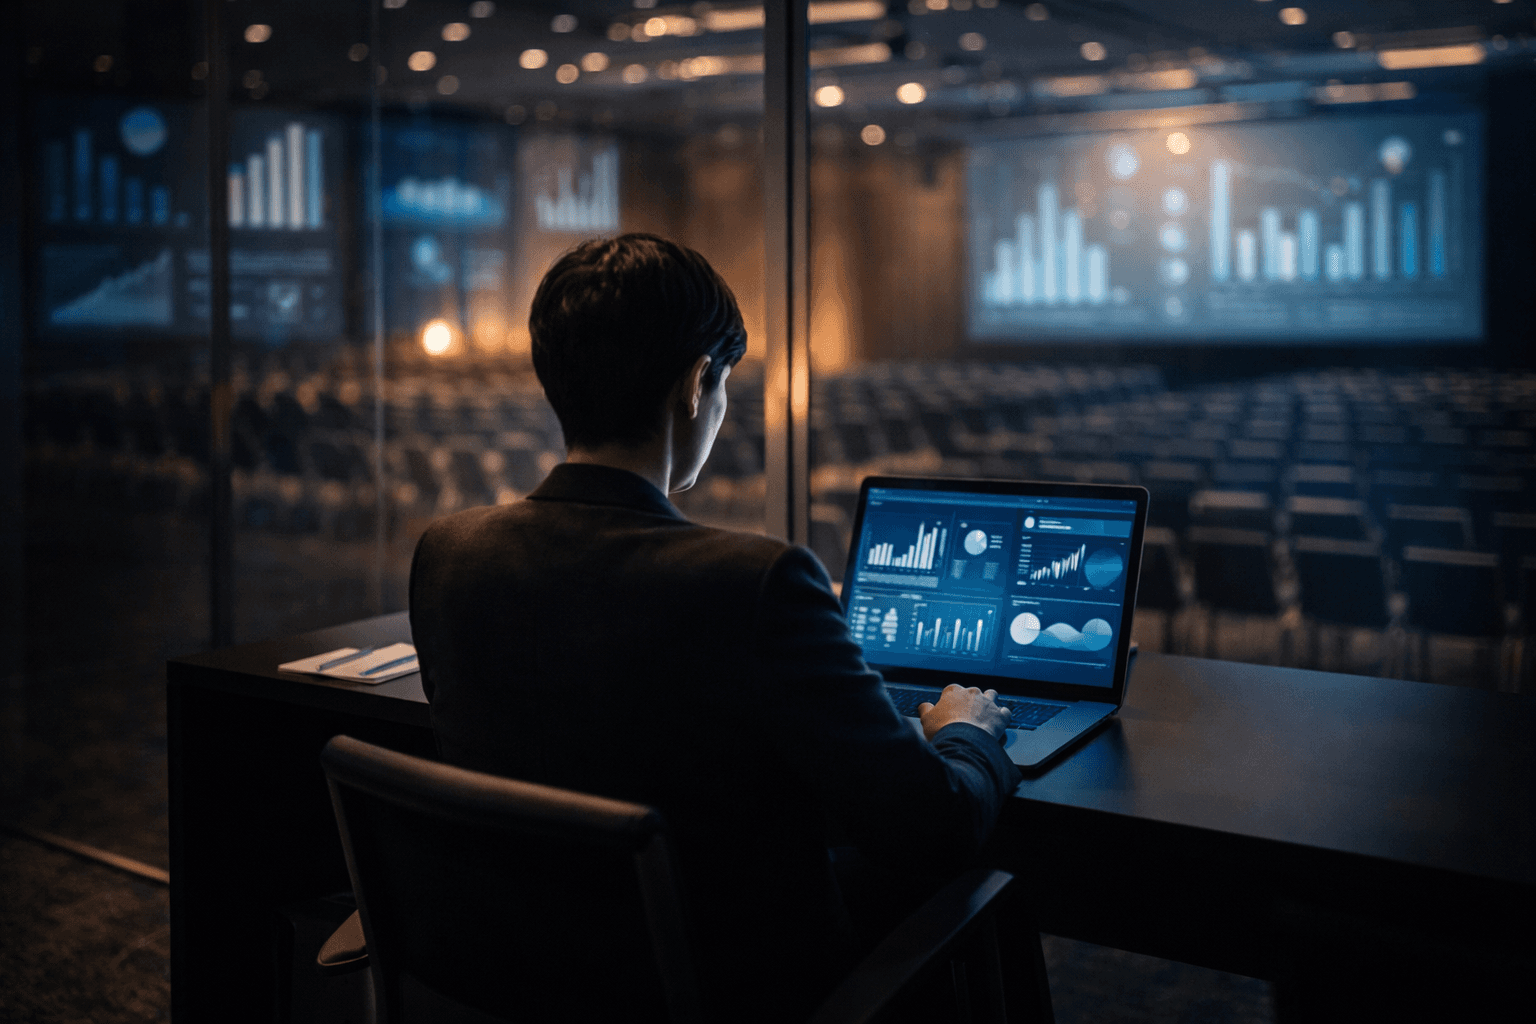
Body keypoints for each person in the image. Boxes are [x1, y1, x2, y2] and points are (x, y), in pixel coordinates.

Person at [408, 233, 1021, 1021]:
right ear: (698, 383)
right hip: (727, 989)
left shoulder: (448, 554)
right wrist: (965, 731)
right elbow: (931, 827)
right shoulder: (757, 583)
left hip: (529, 971)